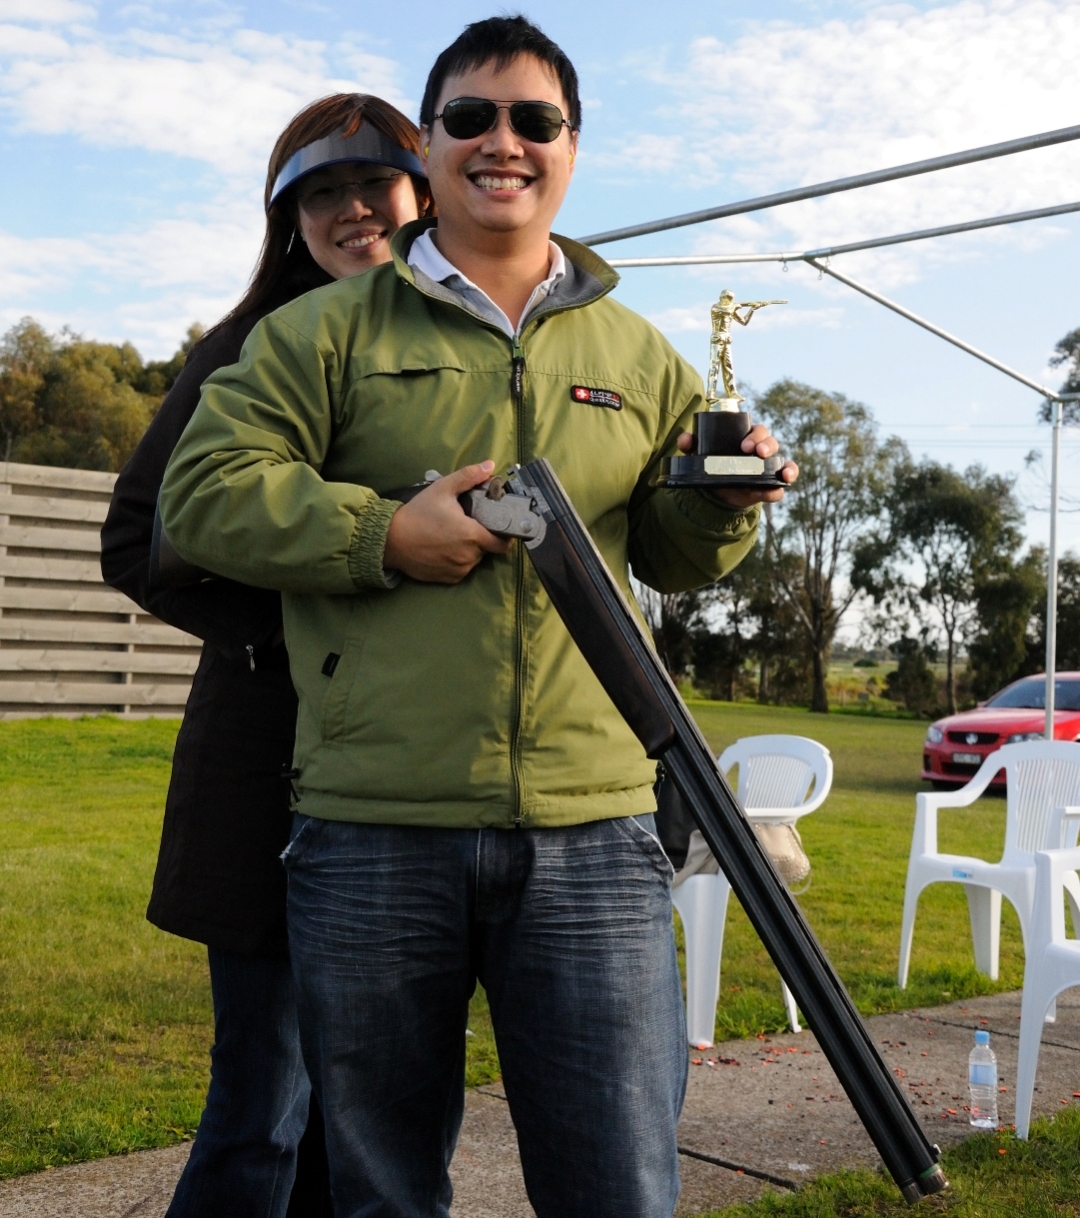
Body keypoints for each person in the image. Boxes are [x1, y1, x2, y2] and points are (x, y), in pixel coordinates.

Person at [158, 16, 798, 1218]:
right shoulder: (317, 334)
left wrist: (727, 500)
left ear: (570, 148)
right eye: (469, 117)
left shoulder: (644, 353)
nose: (502, 141)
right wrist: (379, 535)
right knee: (383, 1191)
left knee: (619, 1186)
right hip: (370, 832)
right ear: (435, 143)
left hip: (598, 834)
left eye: (533, 120)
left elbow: (668, 555)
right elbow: (198, 499)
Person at [99, 92, 431, 1218]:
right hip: (267, 777)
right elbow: (137, 538)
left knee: (369, 1125)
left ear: (419, 191)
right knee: (264, 1110)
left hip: (403, 786)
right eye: (318, 195)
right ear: (287, 220)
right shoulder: (246, 349)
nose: (349, 211)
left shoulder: (452, 346)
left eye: (370, 185)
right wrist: (303, 628)